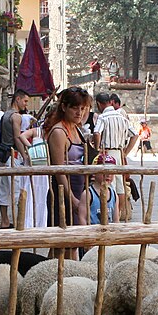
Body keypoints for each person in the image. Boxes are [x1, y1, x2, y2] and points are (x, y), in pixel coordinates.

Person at [44, 87, 91, 236]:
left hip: (79, 187)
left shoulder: (76, 129)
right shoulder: (59, 132)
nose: (79, 112)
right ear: (64, 107)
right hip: (64, 192)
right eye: (75, 108)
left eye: (82, 108)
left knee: (75, 240)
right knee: (63, 241)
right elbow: (58, 170)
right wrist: (72, 199)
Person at [0, 89, 33, 228]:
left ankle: (5, 221)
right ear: (17, 99)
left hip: (5, 156)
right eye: (25, 101)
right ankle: (18, 220)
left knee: (5, 189)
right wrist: (25, 154)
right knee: (16, 189)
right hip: (12, 156)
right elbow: (17, 137)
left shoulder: (5, 114)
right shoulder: (16, 116)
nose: (26, 104)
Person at [97, 92, 136, 220]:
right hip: (119, 153)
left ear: (99, 104)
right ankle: (118, 215)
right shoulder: (122, 118)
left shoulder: (103, 117)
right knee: (120, 185)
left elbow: (97, 132)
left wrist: (97, 147)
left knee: (109, 183)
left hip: (107, 153)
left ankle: (109, 214)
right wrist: (126, 151)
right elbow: (134, 135)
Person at [88, 153, 120, 225]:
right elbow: (82, 218)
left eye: (111, 172)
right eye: (104, 172)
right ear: (94, 173)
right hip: (92, 233)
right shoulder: (88, 194)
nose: (108, 175)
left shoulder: (113, 194)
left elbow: (116, 218)